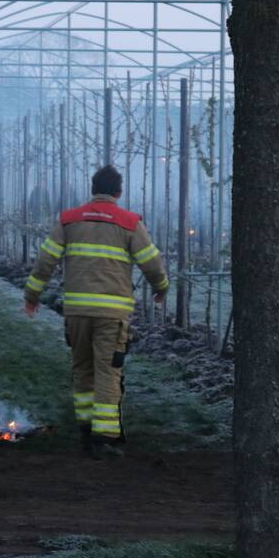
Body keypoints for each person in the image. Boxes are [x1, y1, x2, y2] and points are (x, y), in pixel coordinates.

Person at [24, 165, 169, 459]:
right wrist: (161, 287)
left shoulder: (68, 220)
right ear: (119, 191)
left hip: (76, 312)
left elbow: (45, 262)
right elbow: (151, 263)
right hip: (111, 315)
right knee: (108, 371)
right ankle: (104, 438)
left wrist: (32, 296)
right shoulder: (129, 223)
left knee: (82, 369)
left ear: (93, 189)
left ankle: (86, 428)